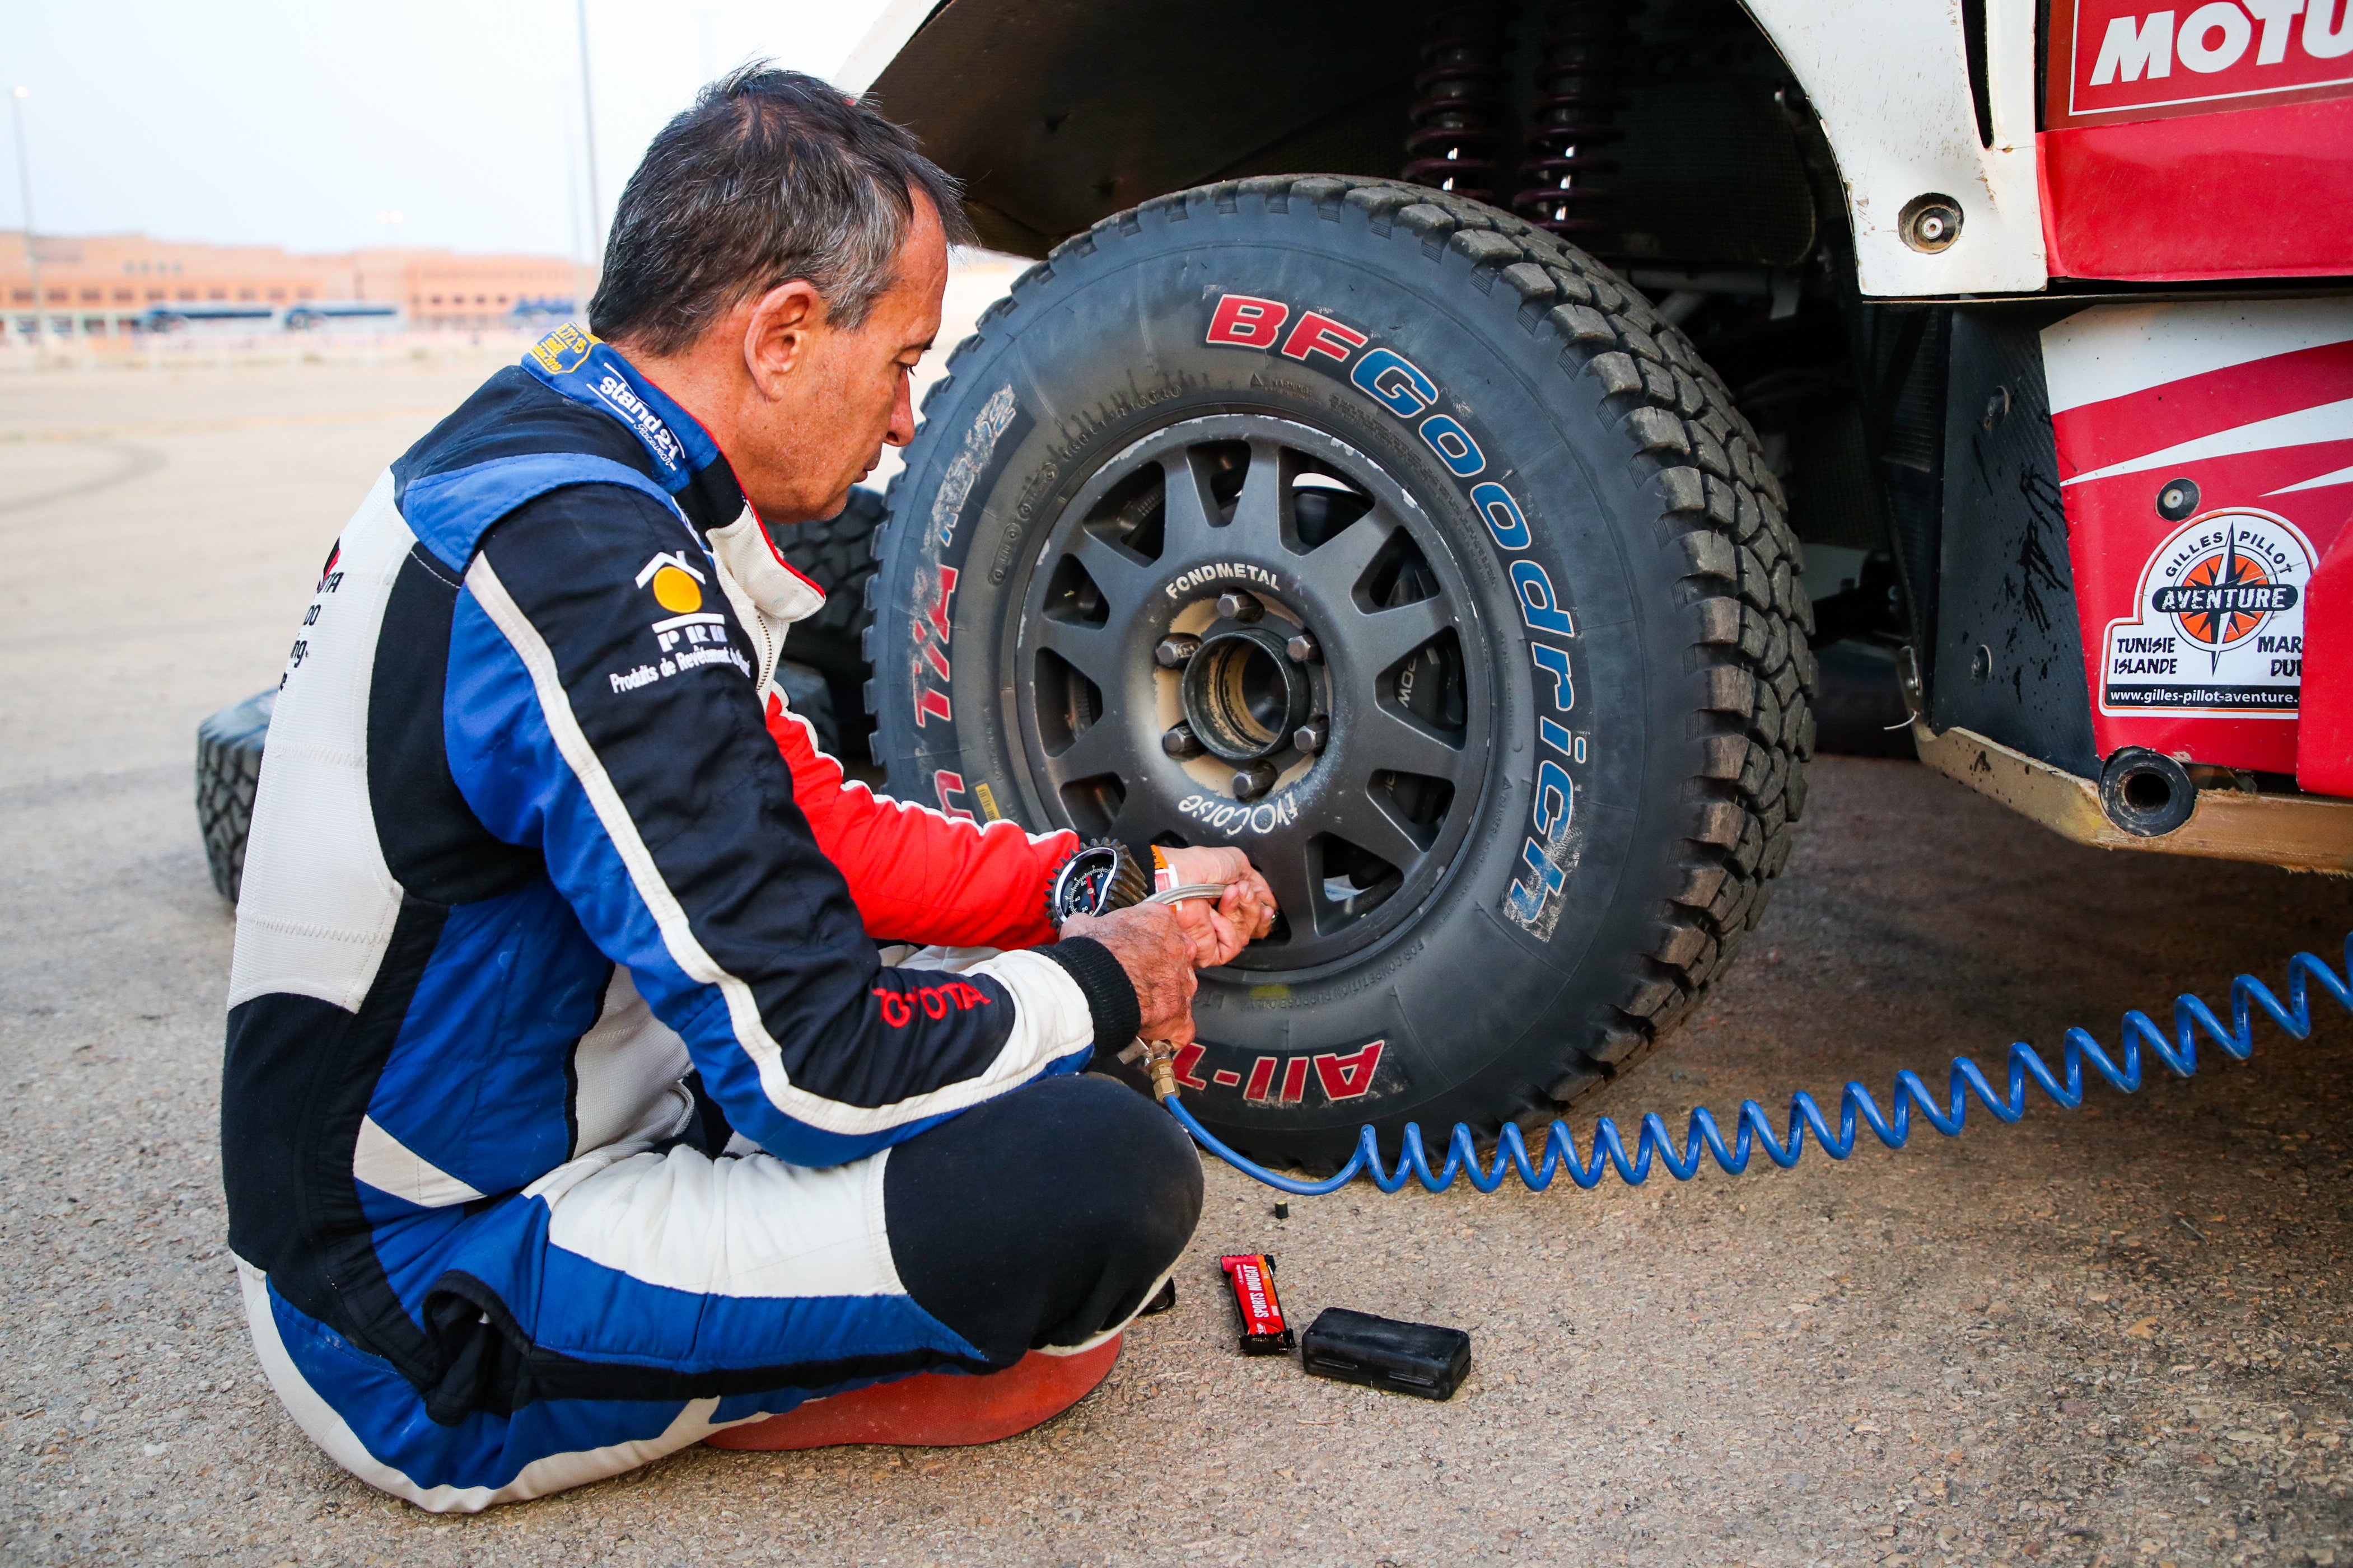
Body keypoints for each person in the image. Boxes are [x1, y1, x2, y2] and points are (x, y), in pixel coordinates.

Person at [220, 67, 1276, 1512]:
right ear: (780, 335)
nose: (904, 419)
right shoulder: (594, 569)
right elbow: (813, 1070)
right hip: (422, 1299)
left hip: (576, 1122)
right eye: (900, 361)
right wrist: (1106, 977)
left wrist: (1101, 892)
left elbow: (804, 832)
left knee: (1034, 1039)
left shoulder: (559, 457)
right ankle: (663, 1383)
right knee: (1102, 1177)